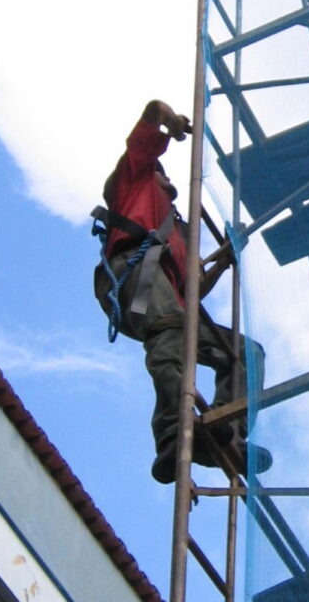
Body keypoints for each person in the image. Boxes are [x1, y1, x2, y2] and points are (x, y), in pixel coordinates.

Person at [93, 99, 271, 484]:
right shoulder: (133, 181)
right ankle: (174, 431)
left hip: (165, 295)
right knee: (170, 330)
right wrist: (168, 119)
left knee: (246, 354)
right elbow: (149, 115)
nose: (168, 180)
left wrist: (223, 261)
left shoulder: (179, 230)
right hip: (134, 276)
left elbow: (191, 290)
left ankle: (227, 431)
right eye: (162, 174)